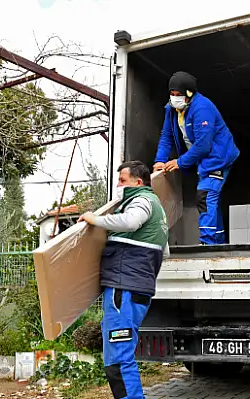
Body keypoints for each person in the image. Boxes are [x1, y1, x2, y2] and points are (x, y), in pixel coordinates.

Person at [78, 160, 169, 399]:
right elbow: (165, 251)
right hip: (135, 289)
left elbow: (130, 222)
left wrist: (94, 219)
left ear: (138, 182)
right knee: (117, 355)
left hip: (124, 290)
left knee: (119, 358)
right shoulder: (157, 209)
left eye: (122, 180)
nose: (118, 185)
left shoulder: (142, 201)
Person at [153, 71, 240, 245]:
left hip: (217, 157)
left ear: (190, 94)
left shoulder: (202, 108)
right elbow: (166, 136)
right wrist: (159, 160)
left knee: (205, 195)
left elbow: (203, 145)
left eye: (179, 95)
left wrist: (180, 162)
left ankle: (208, 244)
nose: (175, 98)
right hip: (203, 159)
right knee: (210, 198)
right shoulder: (171, 109)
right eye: (172, 94)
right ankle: (218, 242)